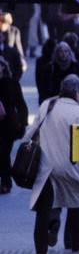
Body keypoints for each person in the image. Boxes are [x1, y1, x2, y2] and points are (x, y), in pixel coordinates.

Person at [27, 74, 79, 254]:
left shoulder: (48, 105)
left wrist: (24, 145)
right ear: (78, 92)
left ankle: (40, 252)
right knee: (76, 202)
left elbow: (33, 130)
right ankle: (74, 242)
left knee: (43, 211)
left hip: (46, 167)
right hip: (70, 166)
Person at [0, 56, 28, 192]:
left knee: (4, 153)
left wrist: (23, 123)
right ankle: (6, 178)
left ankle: (6, 181)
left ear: (4, 67)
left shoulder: (12, 83)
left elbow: (21, 104)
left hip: (8, 125)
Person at [0, 11, 27, 81]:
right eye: (1, 22)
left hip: (10, 58)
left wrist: (23, 61)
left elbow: (19, 47)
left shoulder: (14, 31)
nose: (2, 25)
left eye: (4, 23)